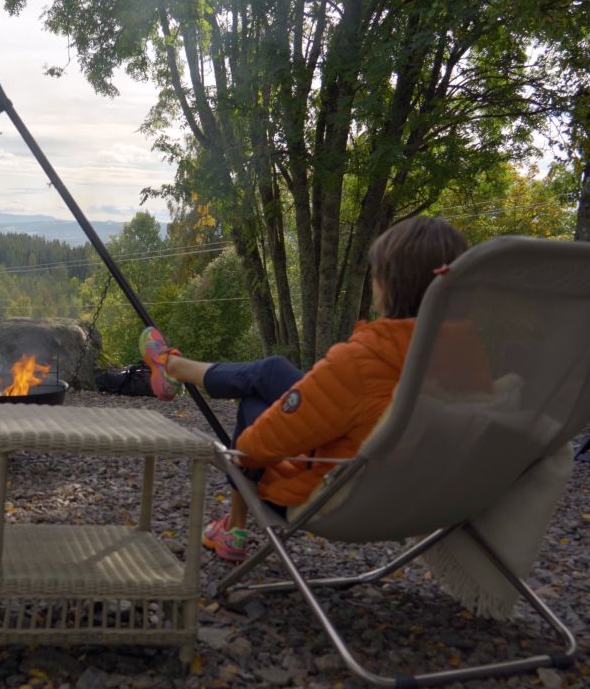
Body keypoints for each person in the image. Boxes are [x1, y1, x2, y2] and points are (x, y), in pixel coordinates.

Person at [141, 216, 469, 561]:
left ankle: (171, 369)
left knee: (256, 397)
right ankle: (173, 367)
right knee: (273, 371)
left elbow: (252, 450)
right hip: (420, 494)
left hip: (337, 495)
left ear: (388, 284)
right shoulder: (468, 360)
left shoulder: (361, 362)